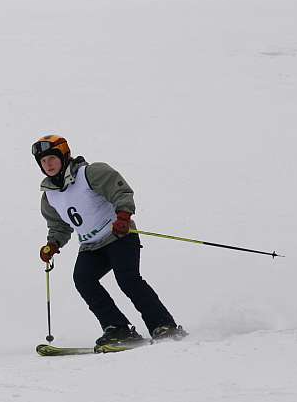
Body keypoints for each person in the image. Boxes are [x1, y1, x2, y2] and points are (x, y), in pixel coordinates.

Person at [33, 134, 185, 345]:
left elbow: (120, 192)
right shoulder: (49, 196)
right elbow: (59, 226)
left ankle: (163, 325)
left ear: (64, 156)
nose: (48, 164)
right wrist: (53, 244)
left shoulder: (90, 173)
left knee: (127, 279)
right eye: (43, 161)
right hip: (90, 246)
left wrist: (123, 216)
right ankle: (118, 328)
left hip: (119, 236)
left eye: (52, 158)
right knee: (83, 280)